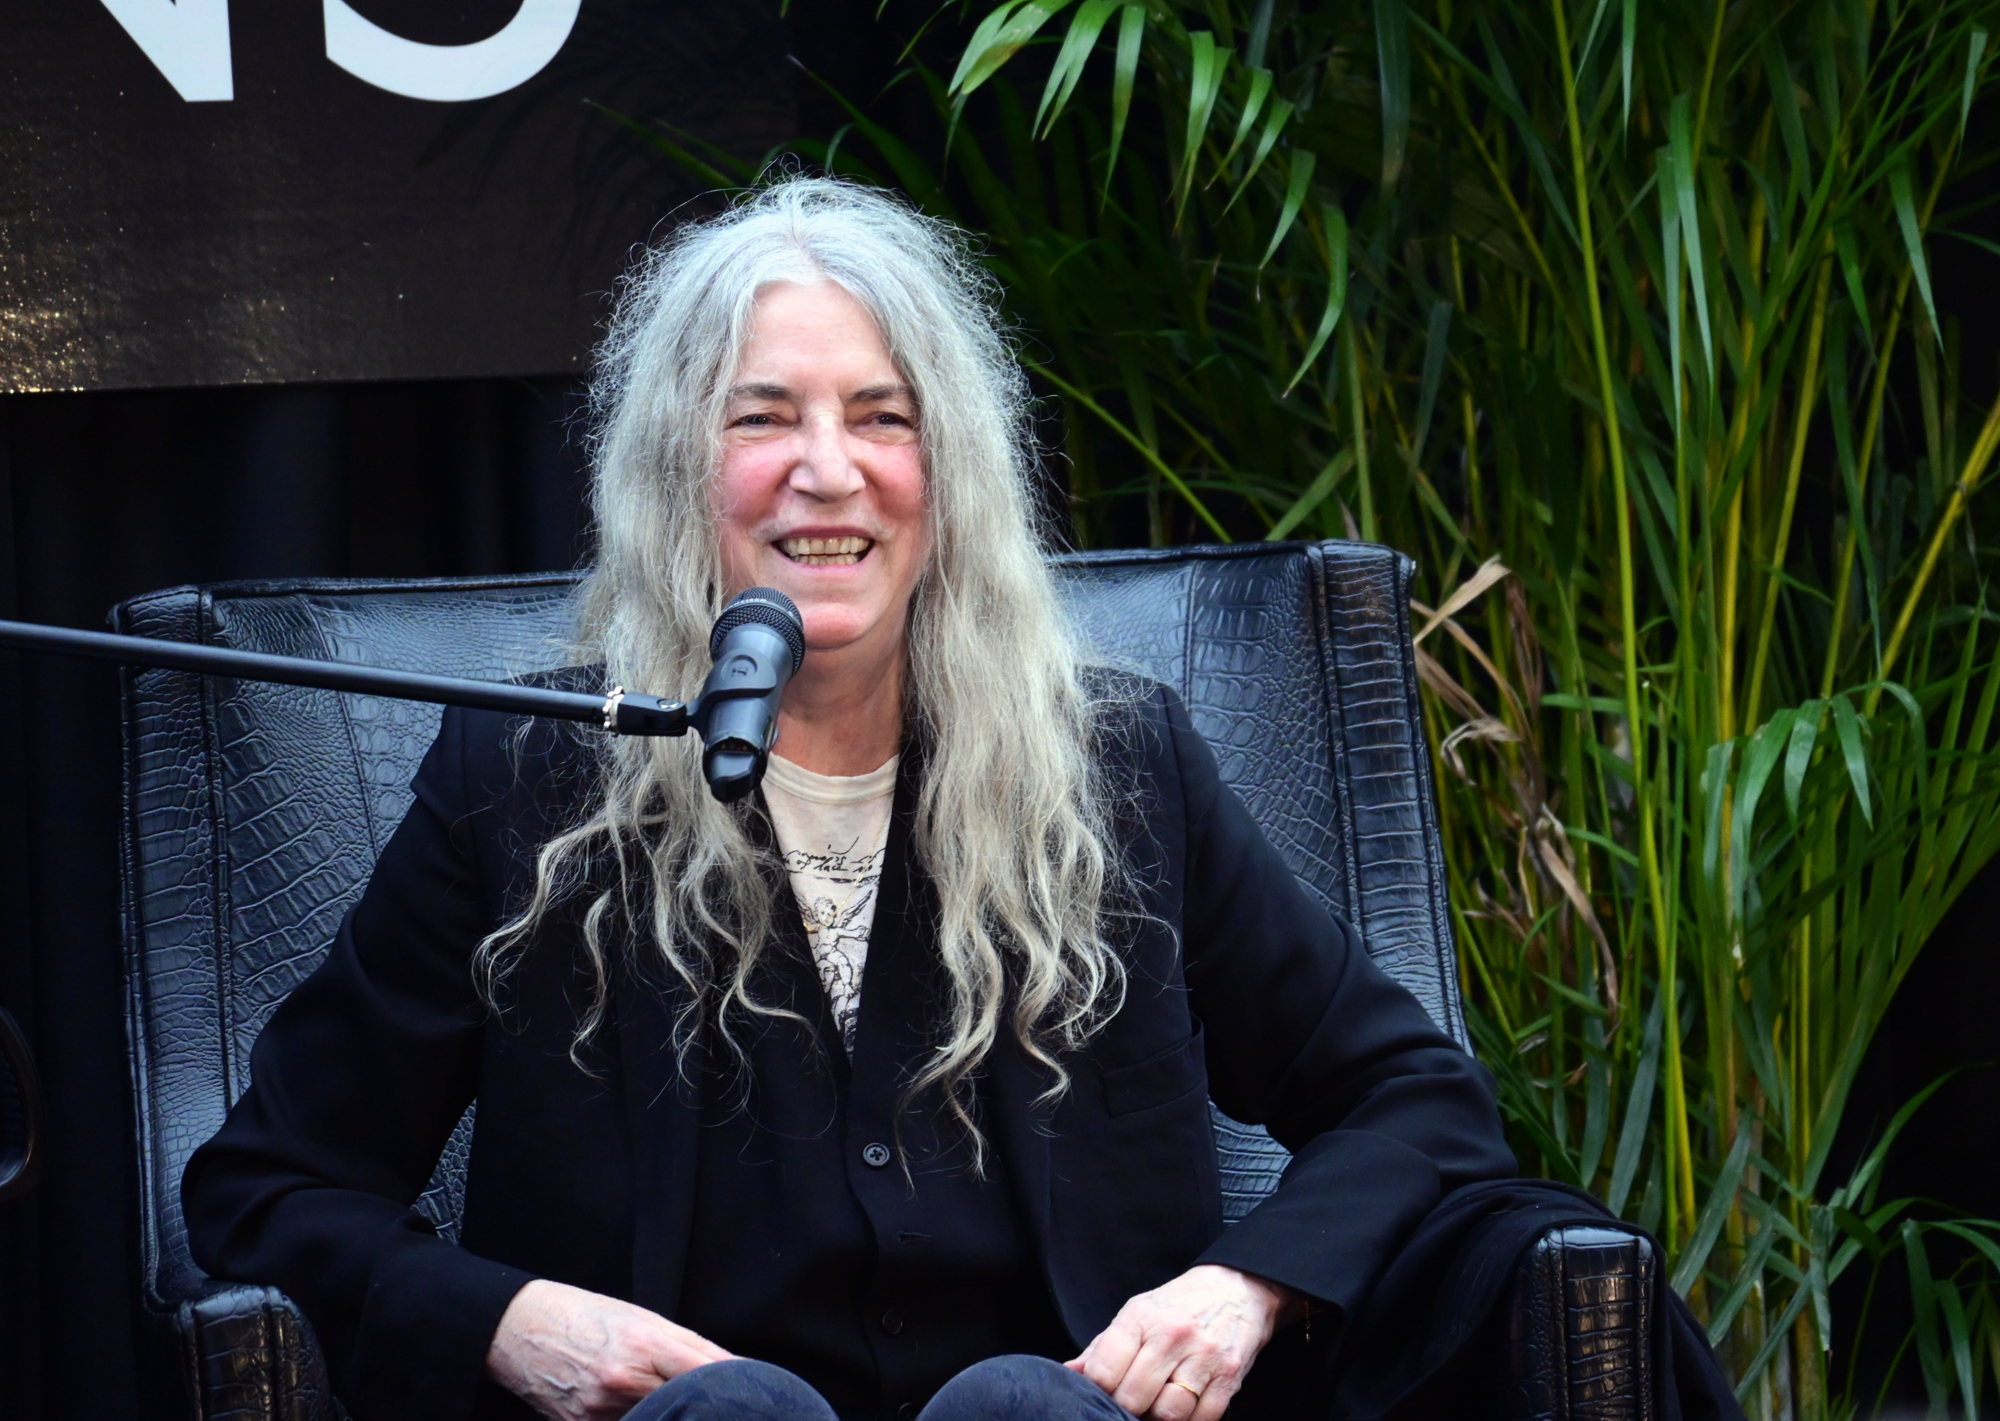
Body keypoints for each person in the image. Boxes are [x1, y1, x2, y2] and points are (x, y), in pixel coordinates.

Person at [183, 178, 1738, 1421]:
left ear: (953, 469)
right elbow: (263, 1186)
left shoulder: (1119, 766)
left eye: (881, 415)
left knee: (1021, 1409)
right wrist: (508, 1319)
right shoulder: (524, 781)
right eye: (762, 416)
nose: (827, 470)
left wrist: (1247, 1285)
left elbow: (1416, 1097)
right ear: (676, 471)